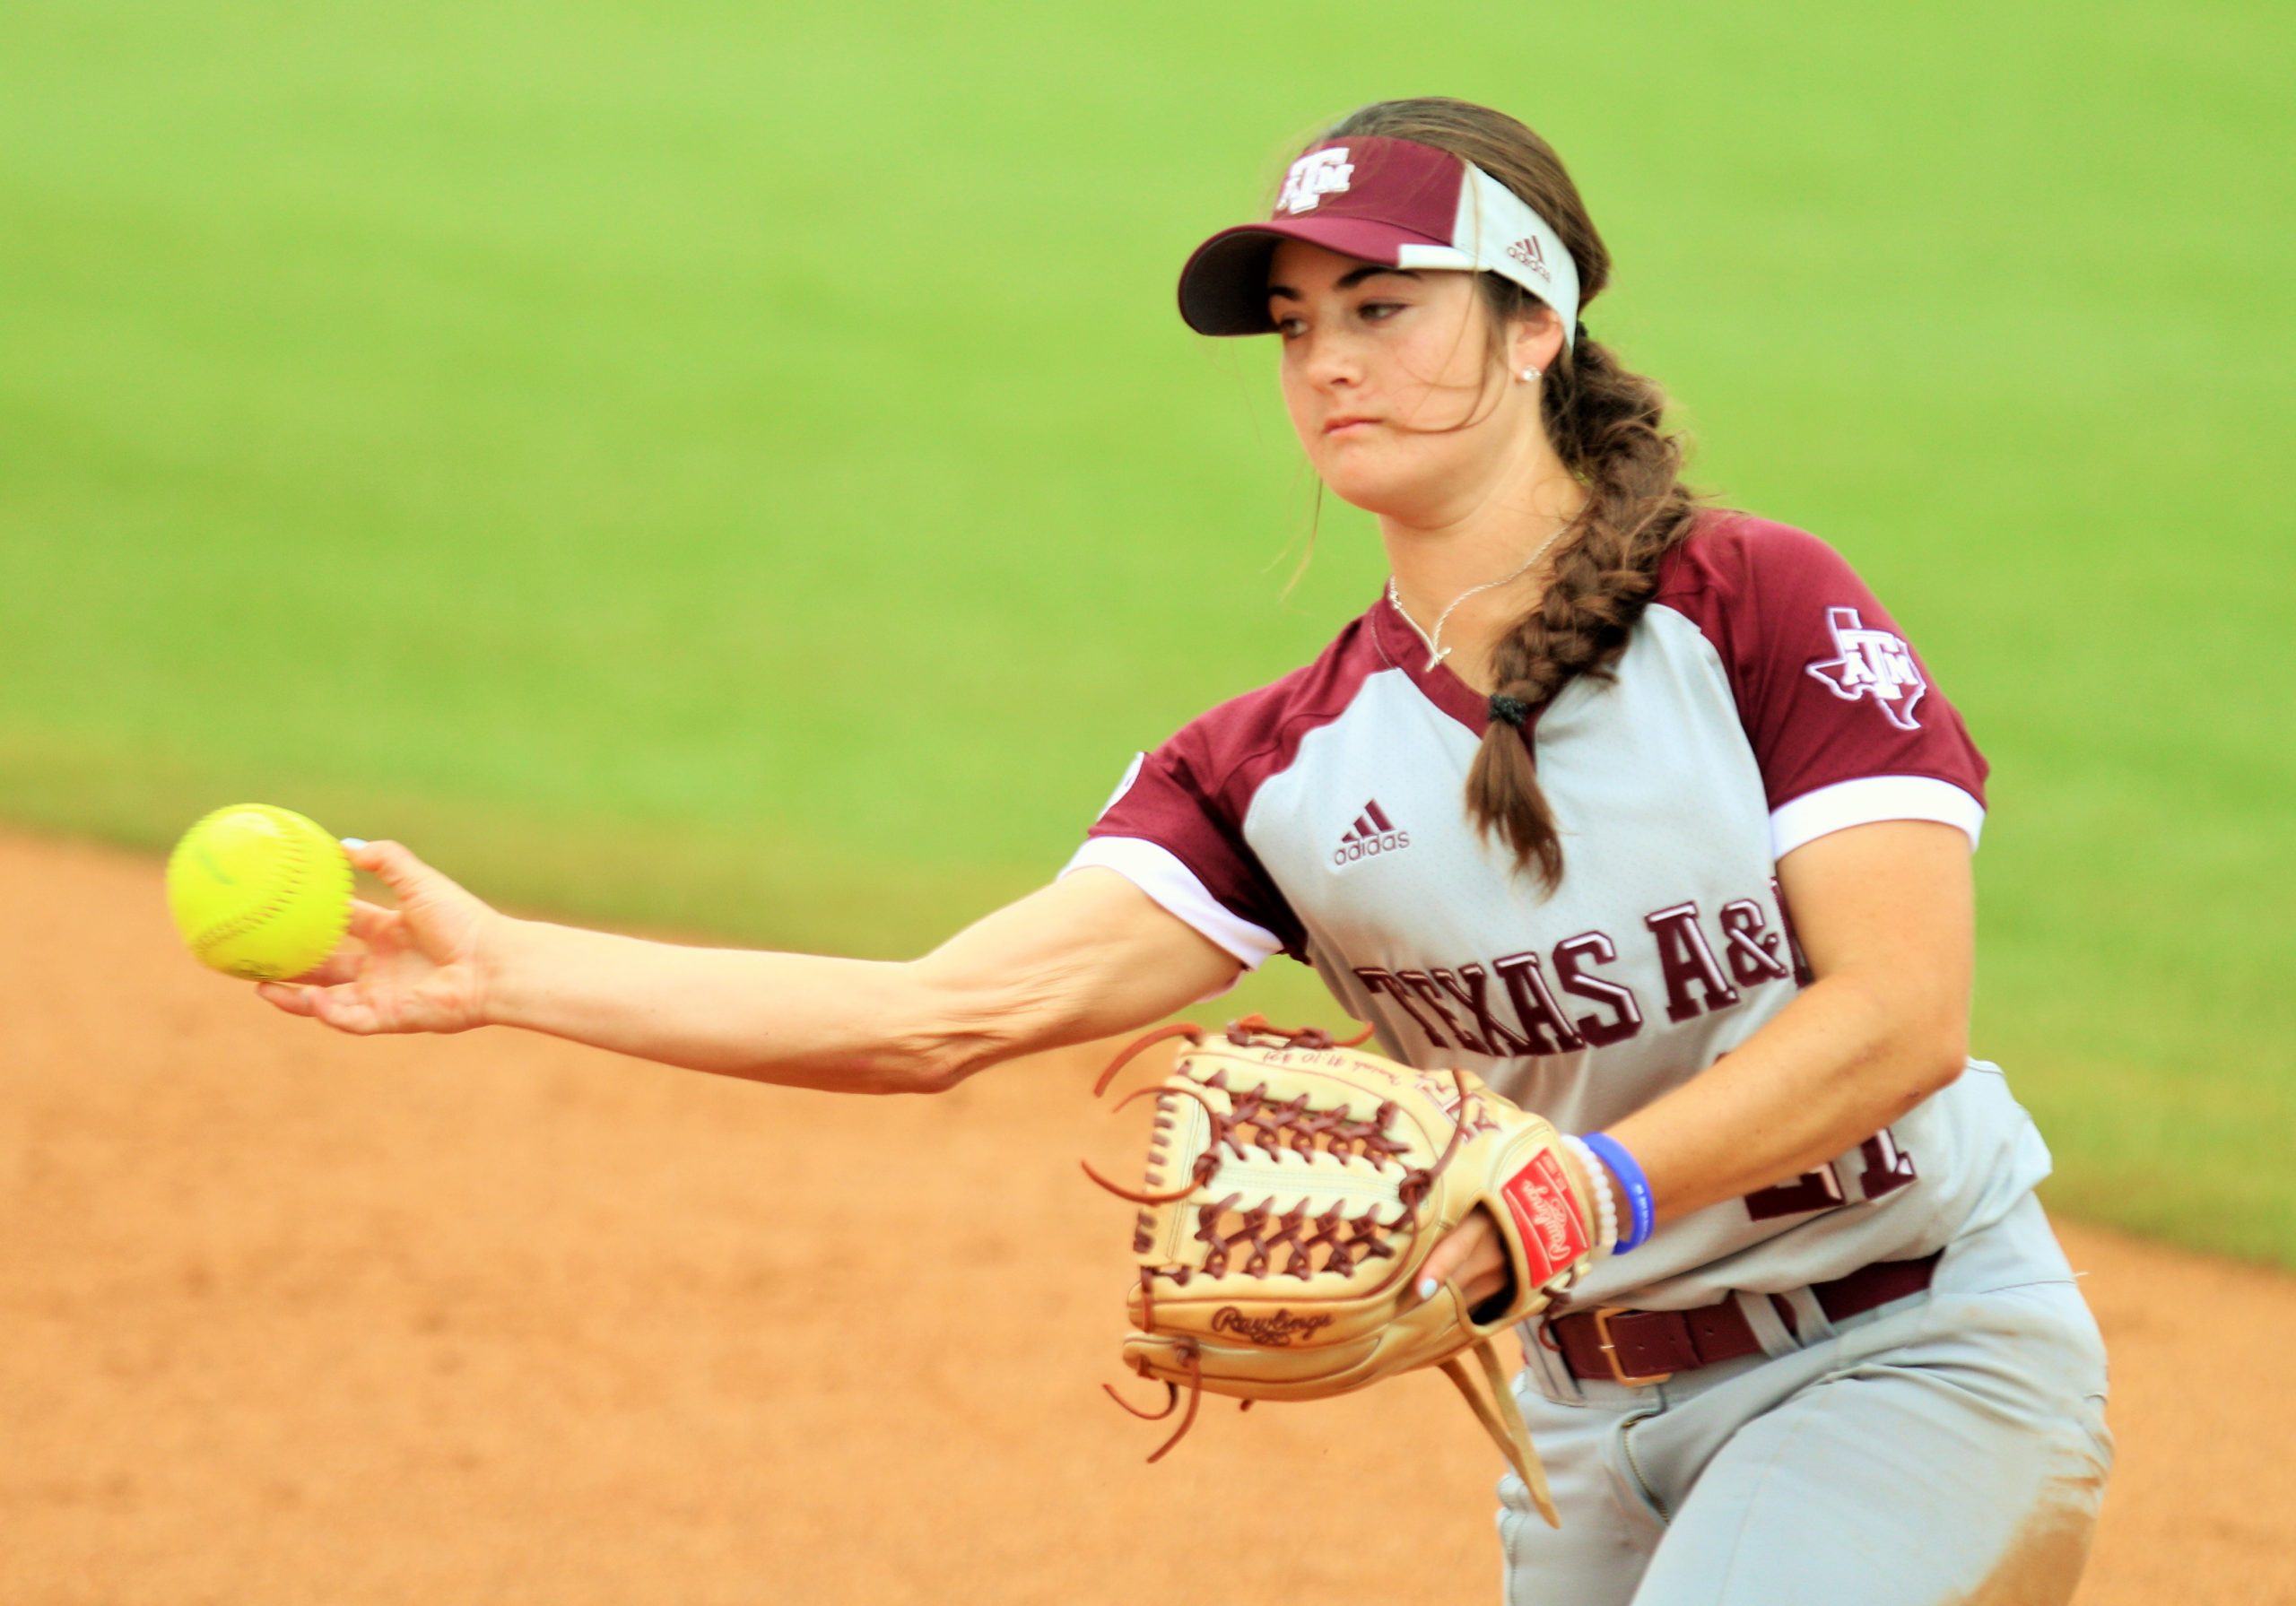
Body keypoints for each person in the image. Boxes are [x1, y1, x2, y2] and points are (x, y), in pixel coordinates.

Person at [257, 97, 2111, 1606]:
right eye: (1297, 323)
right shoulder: (1280, 769)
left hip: (1904, 1352)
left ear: (1533, 324)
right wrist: (500, 969)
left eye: (1380, 305)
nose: (1323, 361)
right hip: (1571, 1425)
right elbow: (935, 1013)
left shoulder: (1752, 603)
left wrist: (1560, 1198)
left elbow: (1896, 1014)